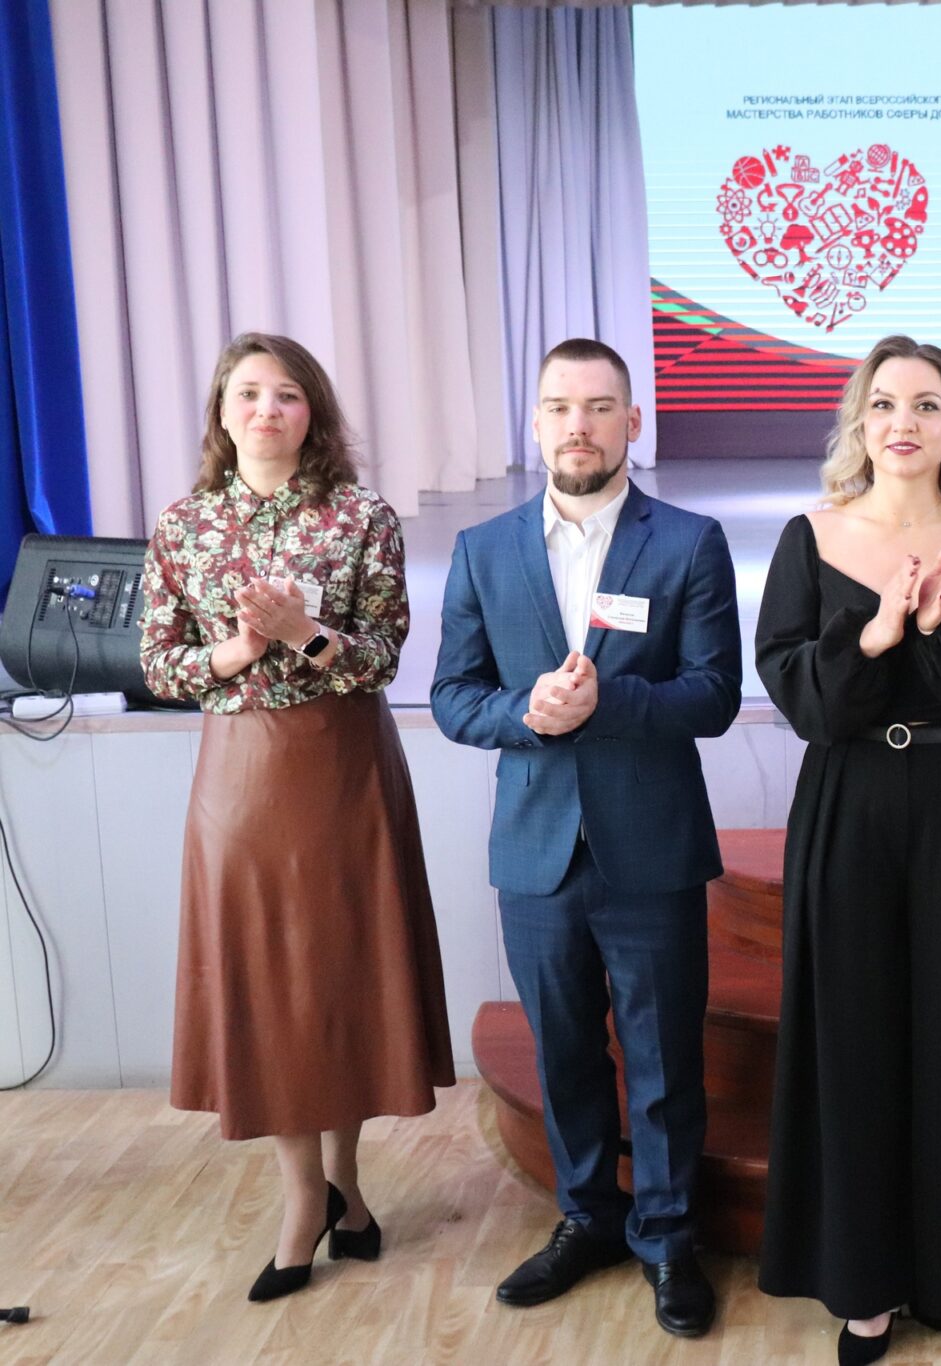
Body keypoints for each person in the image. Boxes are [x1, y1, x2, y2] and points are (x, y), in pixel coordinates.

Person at [430, 338, 741, 1337]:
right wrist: (527, 713)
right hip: (534, 850)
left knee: (663, 1058)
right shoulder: (483, 550)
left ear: (631, 422)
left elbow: (713, 695)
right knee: (562, 1053)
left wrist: (610, 702)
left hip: (650, 844)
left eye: (600, 407)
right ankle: (588, 1219)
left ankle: (668, 1237)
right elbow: (453, 697)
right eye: (560, 407)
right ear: (535, 423)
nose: (579, 425)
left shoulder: (688, 541)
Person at [755, 335, 941, 1365]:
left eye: (926, 404)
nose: (903, 422)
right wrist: (877, 636)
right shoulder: (811, 534)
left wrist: (940, 622)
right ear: (860, 421)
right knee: (855, 1034)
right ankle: (864, 1284)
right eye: (884, 403)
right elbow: (799, 696)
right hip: (848, 800)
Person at [140, 332, 455, 1302]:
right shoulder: (185, 524)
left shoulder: (361, 516)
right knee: (269, 989)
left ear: (312, 411)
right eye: (247, 393)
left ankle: (345, 1185)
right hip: (238, 780)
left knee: (340, 980)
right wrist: (238, 651)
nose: (265, 410)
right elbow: (158, 664)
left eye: (285, 394)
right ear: (220, 412)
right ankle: (302, 1199)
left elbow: (384, 653)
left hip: (344, 767)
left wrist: (303, 633)